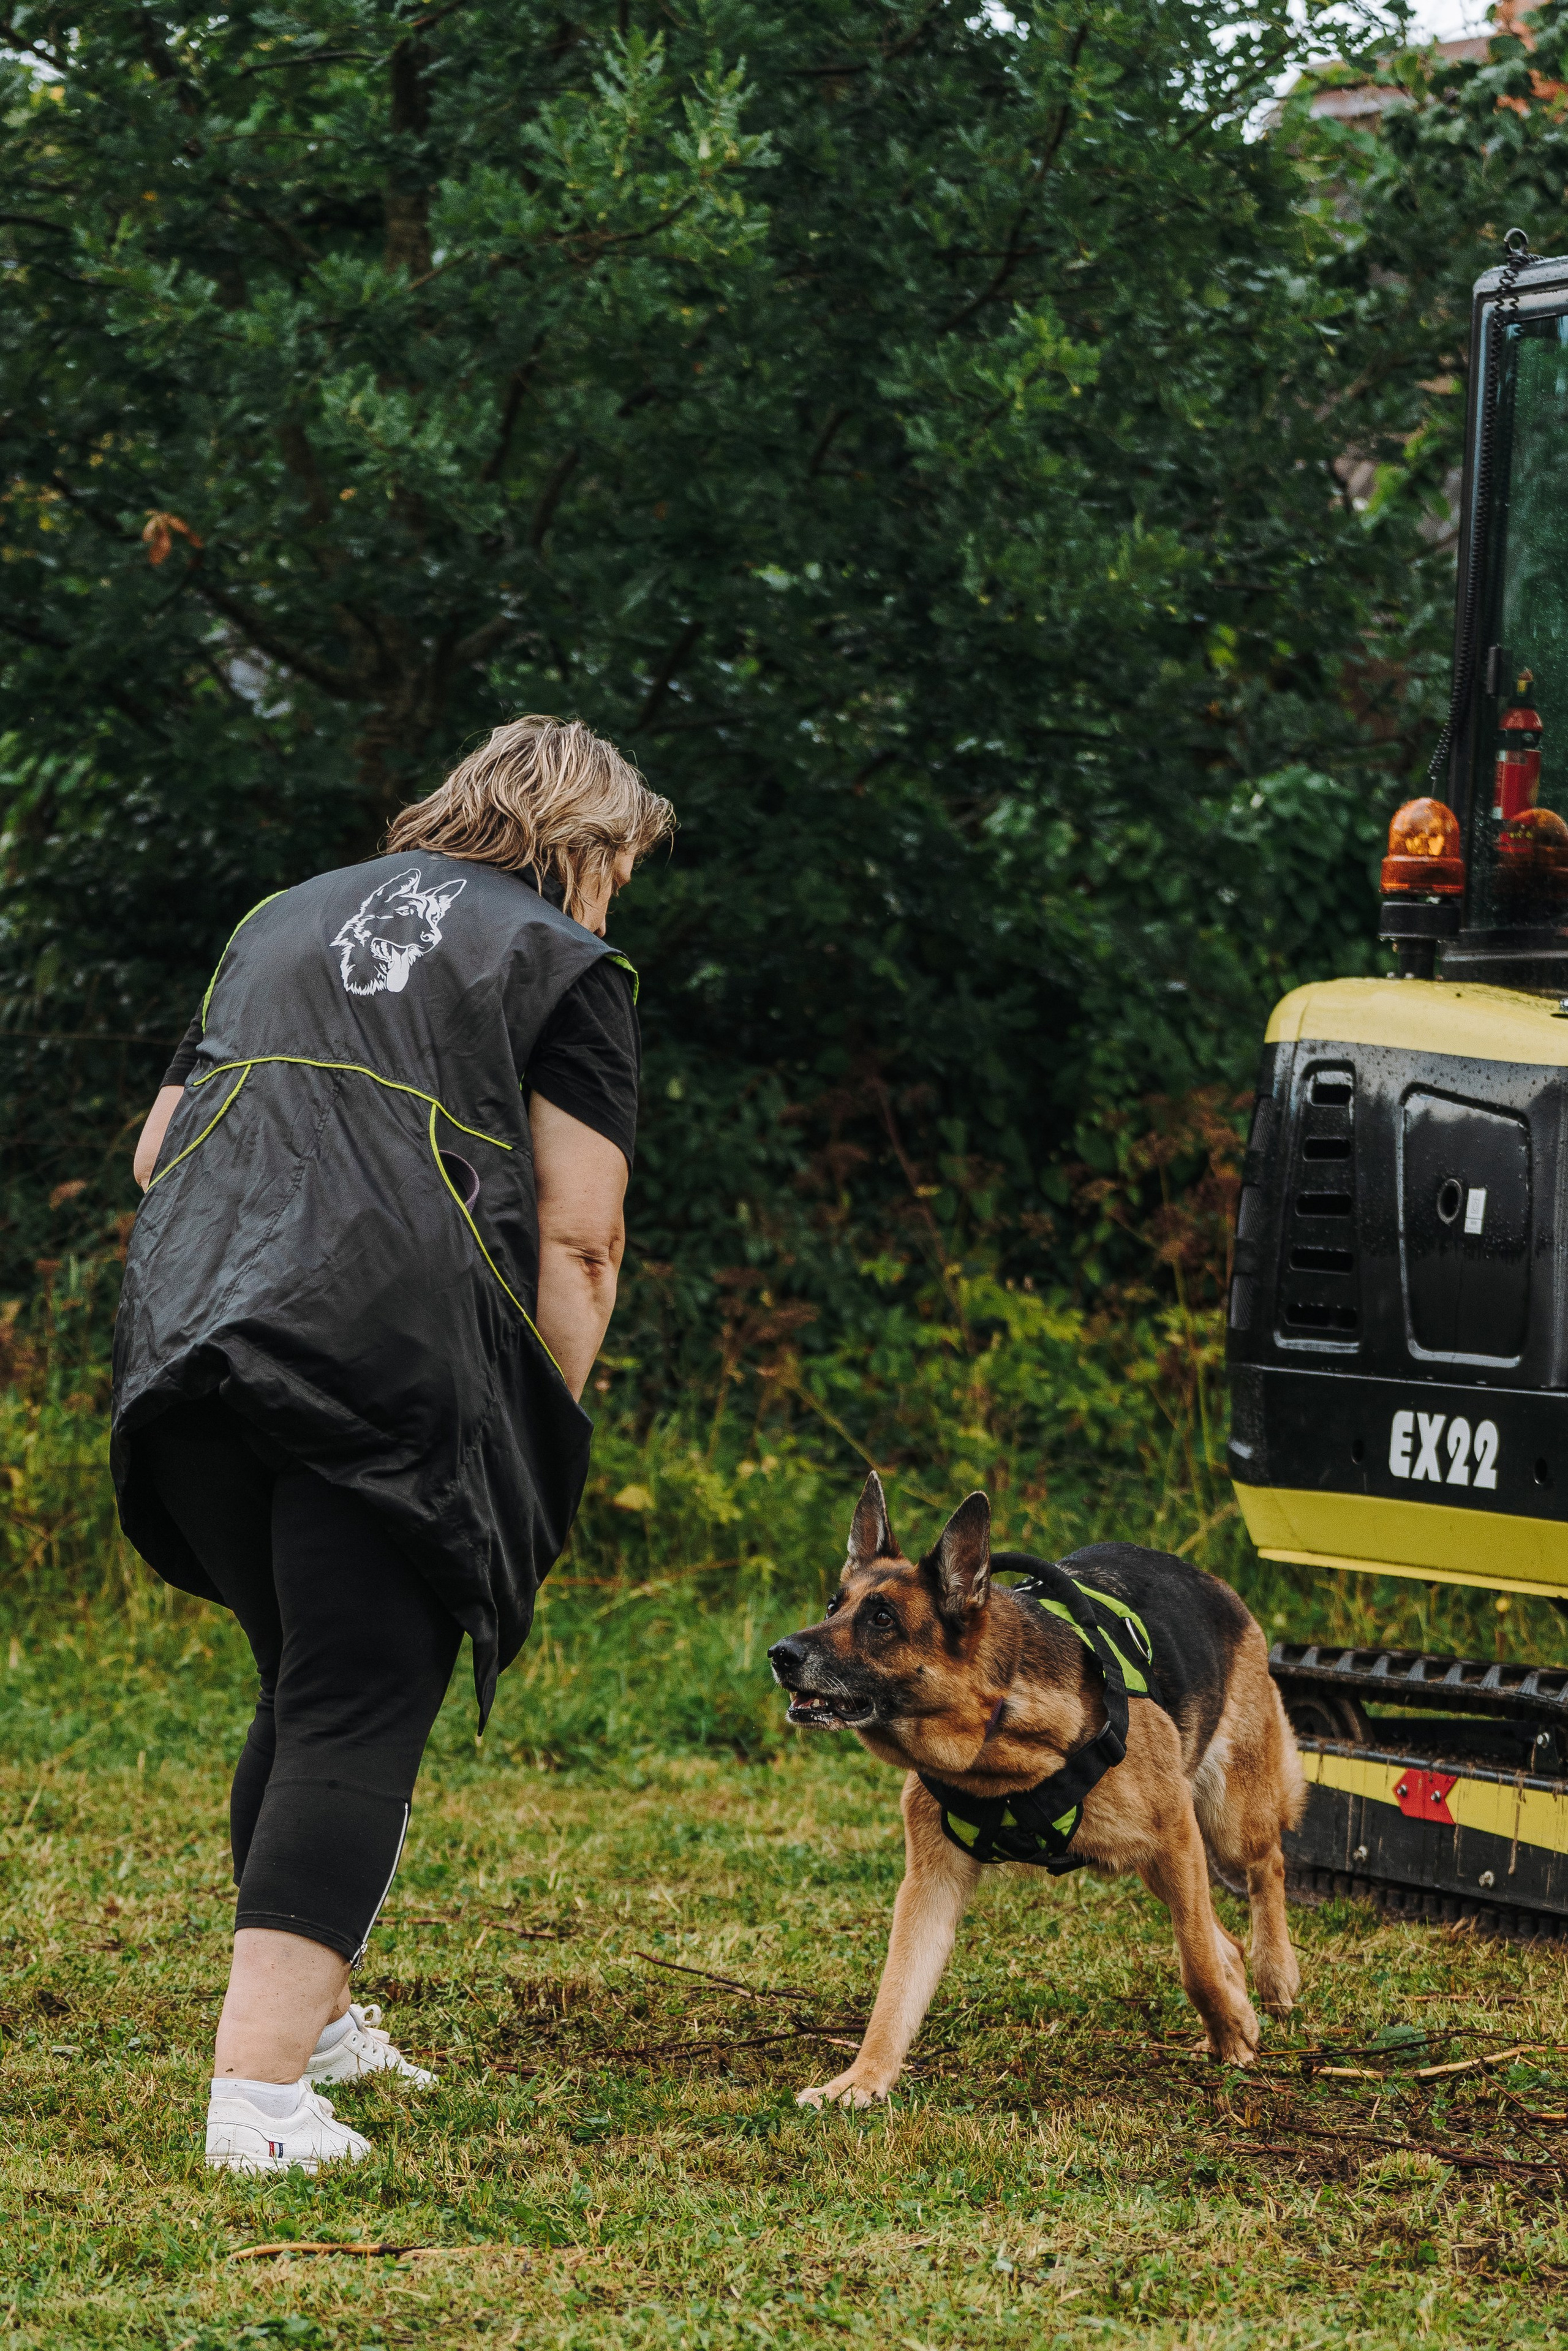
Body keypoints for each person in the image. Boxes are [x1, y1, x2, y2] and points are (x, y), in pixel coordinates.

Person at [111, 715, 671, 2174]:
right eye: (619, 863)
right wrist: (535, 1423)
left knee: (309, 1684)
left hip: (198, 1348)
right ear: (587, 844)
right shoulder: (561, 958)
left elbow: (158, 1151)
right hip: (394, 1373)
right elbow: (581, 1233)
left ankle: (326, 2018)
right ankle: (260, 2098)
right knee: (361, 1702)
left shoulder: (278, 920)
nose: (616, 893)